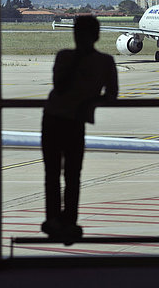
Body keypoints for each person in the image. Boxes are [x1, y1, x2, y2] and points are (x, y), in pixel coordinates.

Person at [41, 15, 118, 243]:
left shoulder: (64, 56)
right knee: (71, 175)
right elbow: (112, 95)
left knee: (54, 175)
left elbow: (58, 86)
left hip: (54, 118)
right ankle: (67, 221)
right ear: (98, 35)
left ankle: (56, 220)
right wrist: (89, 102)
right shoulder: (105, 62)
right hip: (73, 121)